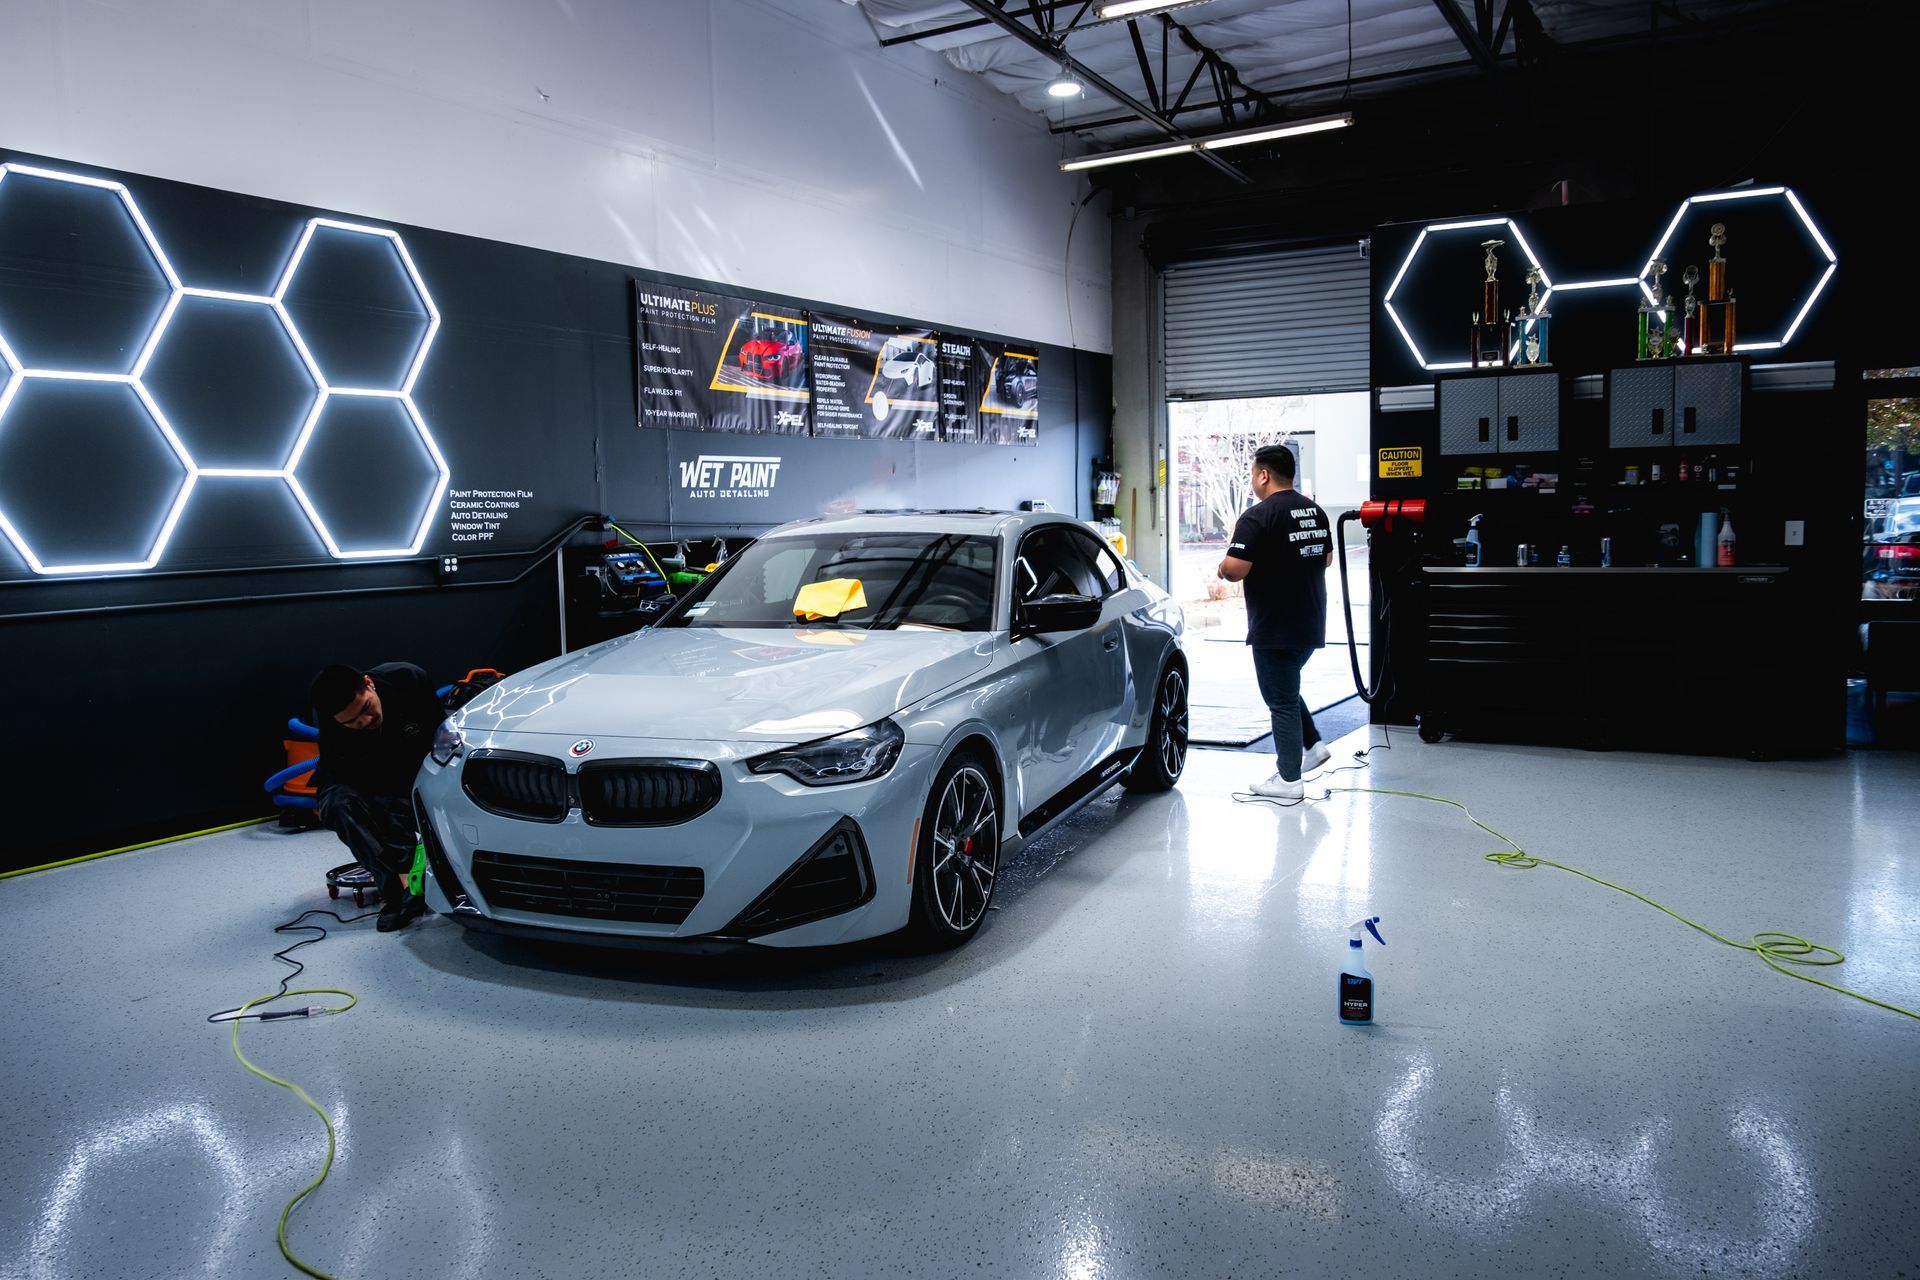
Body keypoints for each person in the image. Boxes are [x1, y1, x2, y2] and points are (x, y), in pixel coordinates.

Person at [1217, 444, 1334, 801]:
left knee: (1279, 699)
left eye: (1254, 474)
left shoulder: (1257, 516)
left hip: (1275, 624)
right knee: (1285, 686)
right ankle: (1313, 745)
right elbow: (1326, 559)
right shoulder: (1314, 511)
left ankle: (1288, 780)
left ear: (1264, 475)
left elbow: (1234, 570)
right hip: (1309, 621)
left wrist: (1221, 568)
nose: (1253, 480)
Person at [309, 662, 444, 931]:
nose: (364, 722)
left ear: (369, 684)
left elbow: (440, 740)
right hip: (361, 777)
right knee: (338, 806)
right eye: (351, 722)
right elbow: (358, 780)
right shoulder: (333, 723)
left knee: (402, 805)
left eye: (366, 709)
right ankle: (396, 892)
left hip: (418, 767)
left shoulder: (409, 680)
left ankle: (417, 882)